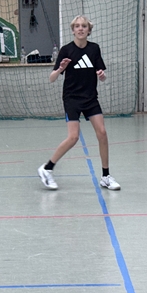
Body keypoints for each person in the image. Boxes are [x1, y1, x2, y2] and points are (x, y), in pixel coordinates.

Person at [38, 15, 120, 191]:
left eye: (84, 26)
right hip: (72, 98)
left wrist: (102, 76)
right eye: (77, 26)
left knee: (102, 133)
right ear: (73, 30)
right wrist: (61, 68)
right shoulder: (66, 50)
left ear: (89, 30)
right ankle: (47, 168)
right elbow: (52, 78)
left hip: (90, 98)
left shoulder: (94, 49)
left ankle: (106, 176)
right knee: (73, 137)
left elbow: (102, 75)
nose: (80, 28)